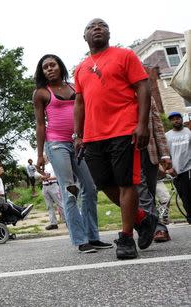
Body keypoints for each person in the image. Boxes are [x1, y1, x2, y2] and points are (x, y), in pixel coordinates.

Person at [74, 18, 158, 259]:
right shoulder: (80, 68)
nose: (97, 28)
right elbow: (79, 103)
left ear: (109, 33)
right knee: (104, 184)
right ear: (85, 37)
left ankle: (126, 238)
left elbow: (144, 88)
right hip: (92, 135)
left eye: (102, 25)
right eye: (91, 26)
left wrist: (142, 125)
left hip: (124, 129)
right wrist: (78, 135)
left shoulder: (125, 55)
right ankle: (143, 219)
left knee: (125, 183)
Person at [34, 53, 112, 253]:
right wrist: (40, 154)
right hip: (56, 144)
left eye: (53, 65)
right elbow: (41, 124)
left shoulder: (74, 87)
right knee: (70, 190)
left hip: (79, 142)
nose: (50, 69)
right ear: (42, 72)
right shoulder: (42, 93)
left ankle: (93, 237)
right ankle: (80, 239)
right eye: (46, 67)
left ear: (60, 66)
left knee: (90, 188)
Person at [136, 101, 172, 242]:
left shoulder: (147, 97)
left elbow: (157, 126)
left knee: (149, 191)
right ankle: (158, 228)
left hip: (150, 152)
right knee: (142, 191)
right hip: (130, 150)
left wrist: (165, 154)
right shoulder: (117, 92)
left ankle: (146, 226)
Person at [165, 111, 191, 224]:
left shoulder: (189, 131)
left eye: (178, 118)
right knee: (184, 196)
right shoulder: (167, 136)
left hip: (189, 168)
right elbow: (164, 154)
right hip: (176, 171)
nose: (176, 120)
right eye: (173, 119)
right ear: (171, 121)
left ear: (181, 119)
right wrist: (168, 168)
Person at [39, 155, 63, 230]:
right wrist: (42, 178)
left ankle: (67, 221)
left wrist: (47, 178)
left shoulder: (52, 164)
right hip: (44, 186)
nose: (42, 158)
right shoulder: (40, 167)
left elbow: (58, 176)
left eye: (43, 156)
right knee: (49, 206)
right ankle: (53, 223)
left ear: (46, 157)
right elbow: (39, 178)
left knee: (60, 204)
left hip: (53, 185)